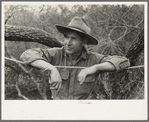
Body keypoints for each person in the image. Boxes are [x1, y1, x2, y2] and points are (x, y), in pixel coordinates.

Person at [20, 16, 130, 100]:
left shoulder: (93, 59)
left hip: (82, 111)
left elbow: (123, 62)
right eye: (66, 37)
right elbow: (27, 55)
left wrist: (94, 68)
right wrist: (52, 69)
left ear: (84, 42)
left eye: (74, 39)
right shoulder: (55, 54)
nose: (68, 42)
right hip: (57, 110)